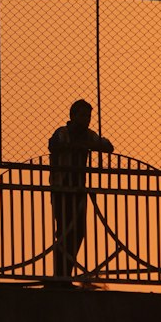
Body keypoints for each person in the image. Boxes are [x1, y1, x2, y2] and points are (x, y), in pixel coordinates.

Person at [47, 100, 113, 280]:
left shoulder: (88, 135)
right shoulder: (63, 133)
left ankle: (64, 275)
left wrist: (92, 145)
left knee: (78, 233)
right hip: (62, 189)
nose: (86, 119)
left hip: (78, 190)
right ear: (72, 116)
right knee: (63, 232)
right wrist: (76, 147)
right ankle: (59, 275)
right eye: (82, 115)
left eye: (89, 116)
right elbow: (53, 145)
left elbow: (108, 146)